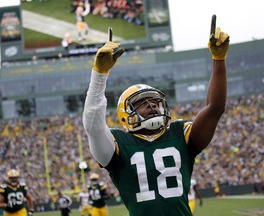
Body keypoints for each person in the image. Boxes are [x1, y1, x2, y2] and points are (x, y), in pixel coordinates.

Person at [83, 15, 229, 216]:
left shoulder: (180, 133)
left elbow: (215, 108)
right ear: (125, 114)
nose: (151, 105)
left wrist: (219, 60)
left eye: (154, 101)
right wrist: (99, 74)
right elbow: (93, 125)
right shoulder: (118, 144)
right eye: (141, 103)